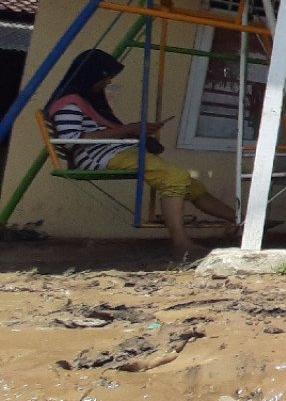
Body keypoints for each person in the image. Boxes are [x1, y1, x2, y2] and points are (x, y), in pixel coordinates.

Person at [45, 49, 238, 256]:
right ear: (92, 75)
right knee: (174, 178)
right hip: (99, 157)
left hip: (117, 152)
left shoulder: (86, 101)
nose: (107, 83)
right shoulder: (70, 104)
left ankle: (241, 221)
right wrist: (128, 130)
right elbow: (70, 140)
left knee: (191, 185)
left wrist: (136, 131)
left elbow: (103, 131)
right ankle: (181, 243)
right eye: (106, 78)